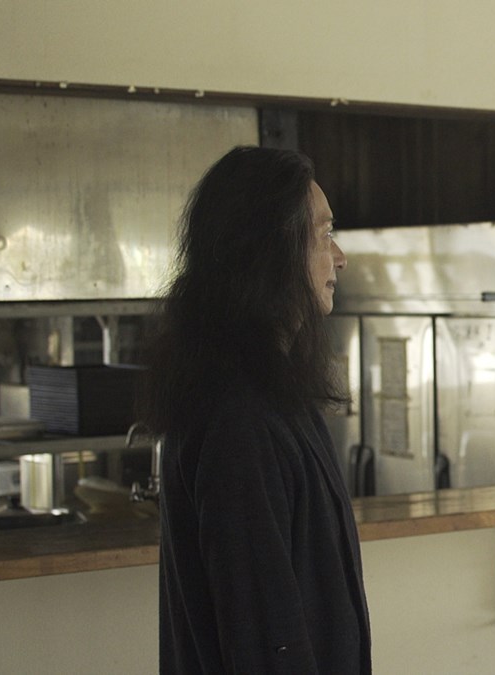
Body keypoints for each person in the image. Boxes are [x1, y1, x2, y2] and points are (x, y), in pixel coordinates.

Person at [139, 146, 371, 673]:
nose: (339, 257)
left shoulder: (274, 389)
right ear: (272, 251)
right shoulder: (239, 416)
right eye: (323, 235)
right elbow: (266, 636)